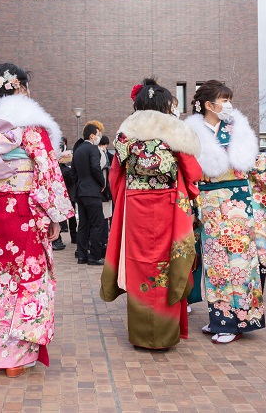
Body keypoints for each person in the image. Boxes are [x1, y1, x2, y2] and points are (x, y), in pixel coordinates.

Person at [0, 63, 74, 377]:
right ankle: (14, 360)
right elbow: (48, 171)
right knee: (26, 281)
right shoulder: (30, 127)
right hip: (24, 212)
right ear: (20, 87)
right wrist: (54, 216)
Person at [185, 80, 266, 344]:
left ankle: (236, 322)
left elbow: (253, 164)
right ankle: (220, 319)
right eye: (224, 100)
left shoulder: (237, 128)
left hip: (238, 201)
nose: (228, 105)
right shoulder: (190, 132)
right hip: (209, 201)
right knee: (216, 263)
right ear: (209, 105)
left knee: (240, 262)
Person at [100, 78, 202, 350]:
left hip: (135, 206)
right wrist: (187, 191)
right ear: (164, 104)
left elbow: (115, 174)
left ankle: (142, 335)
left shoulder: (126, 133)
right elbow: (193, 173)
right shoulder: (175, 130)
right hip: (168, 205)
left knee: (139, 264)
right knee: (168, 264)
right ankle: (165, 335)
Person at [71, 122, 107, 265]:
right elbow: (95, 167)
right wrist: (102, 183)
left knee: (83, 224)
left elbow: (73, 172)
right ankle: (94, 256)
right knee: (97, 224)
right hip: (93, 191)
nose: (99, 137)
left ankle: (82, 255)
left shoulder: (78, 150)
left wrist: (79, 184)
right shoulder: (93, 149)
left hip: (81, 192)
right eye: (98, 135)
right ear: (92, 136)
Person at [98, 135, 113, 247]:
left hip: (98, 190)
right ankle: (104, 242)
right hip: (106, 190)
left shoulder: (94, 153)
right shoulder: (108, 156)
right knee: (105, 216)